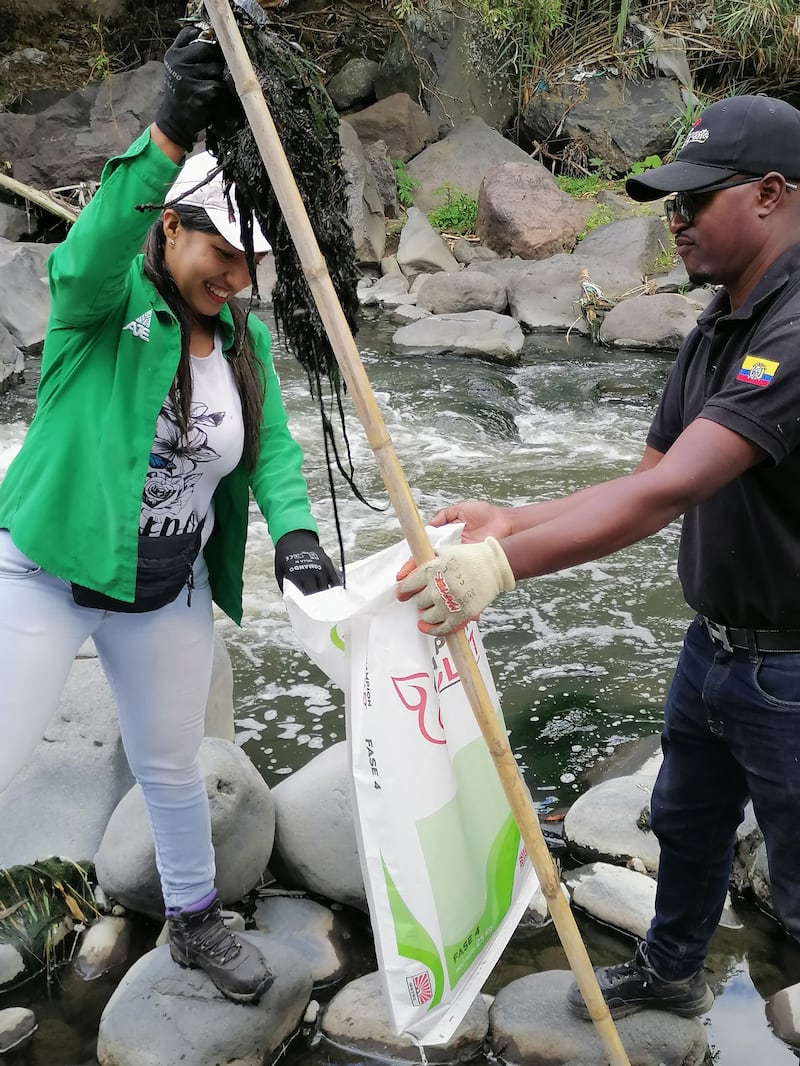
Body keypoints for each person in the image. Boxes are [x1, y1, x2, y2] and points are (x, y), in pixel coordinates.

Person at [397, 93, 800, 1020]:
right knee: (689, 830)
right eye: (670, 203)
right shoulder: (718, 321)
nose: (676, 219)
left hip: (790, 667)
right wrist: (514, 518)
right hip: (716, 647)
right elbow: (645, 479)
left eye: (696, 201)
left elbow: (670, 490)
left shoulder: (794, 324)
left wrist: (500, 572)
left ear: (772, 194)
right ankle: (669, 972)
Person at [0, 28, 340, 1005]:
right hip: (45, 572)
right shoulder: (99, 307)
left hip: (163, 589)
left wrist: (299, 533)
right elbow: (93, 248)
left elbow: (269, 446)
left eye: (250, 263)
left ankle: (194, 921)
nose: (233, 277)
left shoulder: (240, 335)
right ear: (172, 228)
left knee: (174, 766)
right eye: (218, 254)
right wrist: (166, 129)